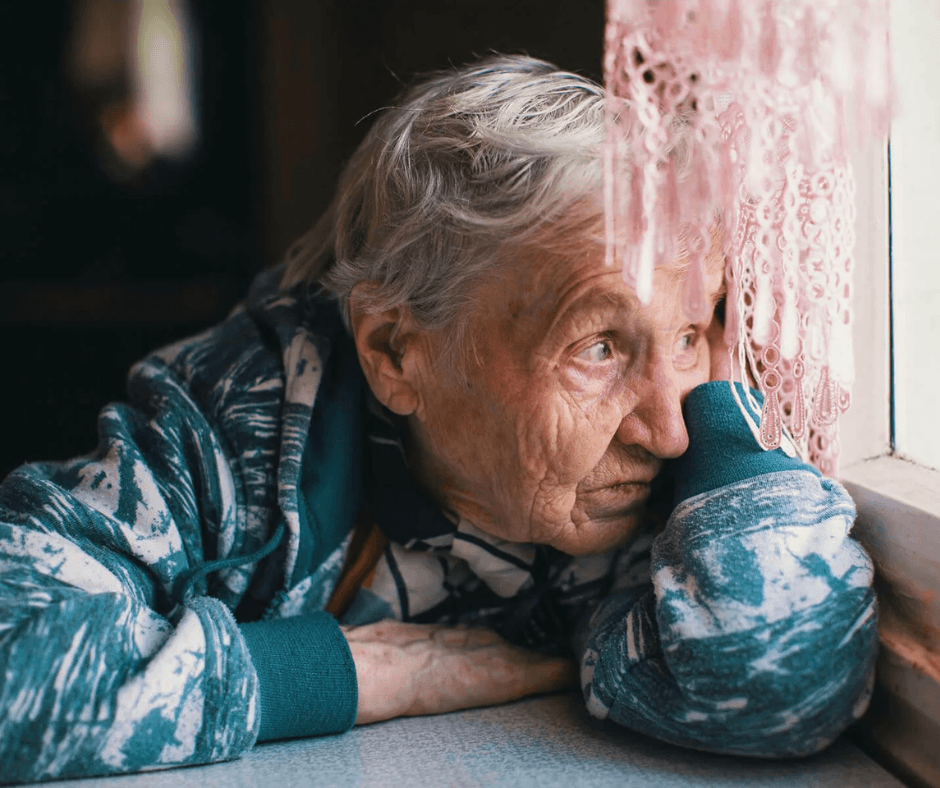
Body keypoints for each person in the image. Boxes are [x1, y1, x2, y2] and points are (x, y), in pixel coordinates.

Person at [0, 55, 876, 783]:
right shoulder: (233, 428)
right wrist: (342, 676)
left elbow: (784, 681)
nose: (668, 429)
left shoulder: (665, 477)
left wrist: (728, 416)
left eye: (690, 333)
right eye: (599, 347)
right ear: (395, 354)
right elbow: (17, 671)